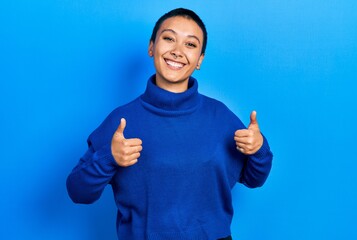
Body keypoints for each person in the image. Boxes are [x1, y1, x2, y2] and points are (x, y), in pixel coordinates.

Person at [66, 8, 273, 240]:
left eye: (190, 45)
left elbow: (255, 179)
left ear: (199, 61)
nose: (177, 51)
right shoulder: (122, 121)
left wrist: (258, 148)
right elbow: (78, 191)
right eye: (169, 38)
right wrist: (109, 157)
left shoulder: (220, 117)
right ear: (151, 46)